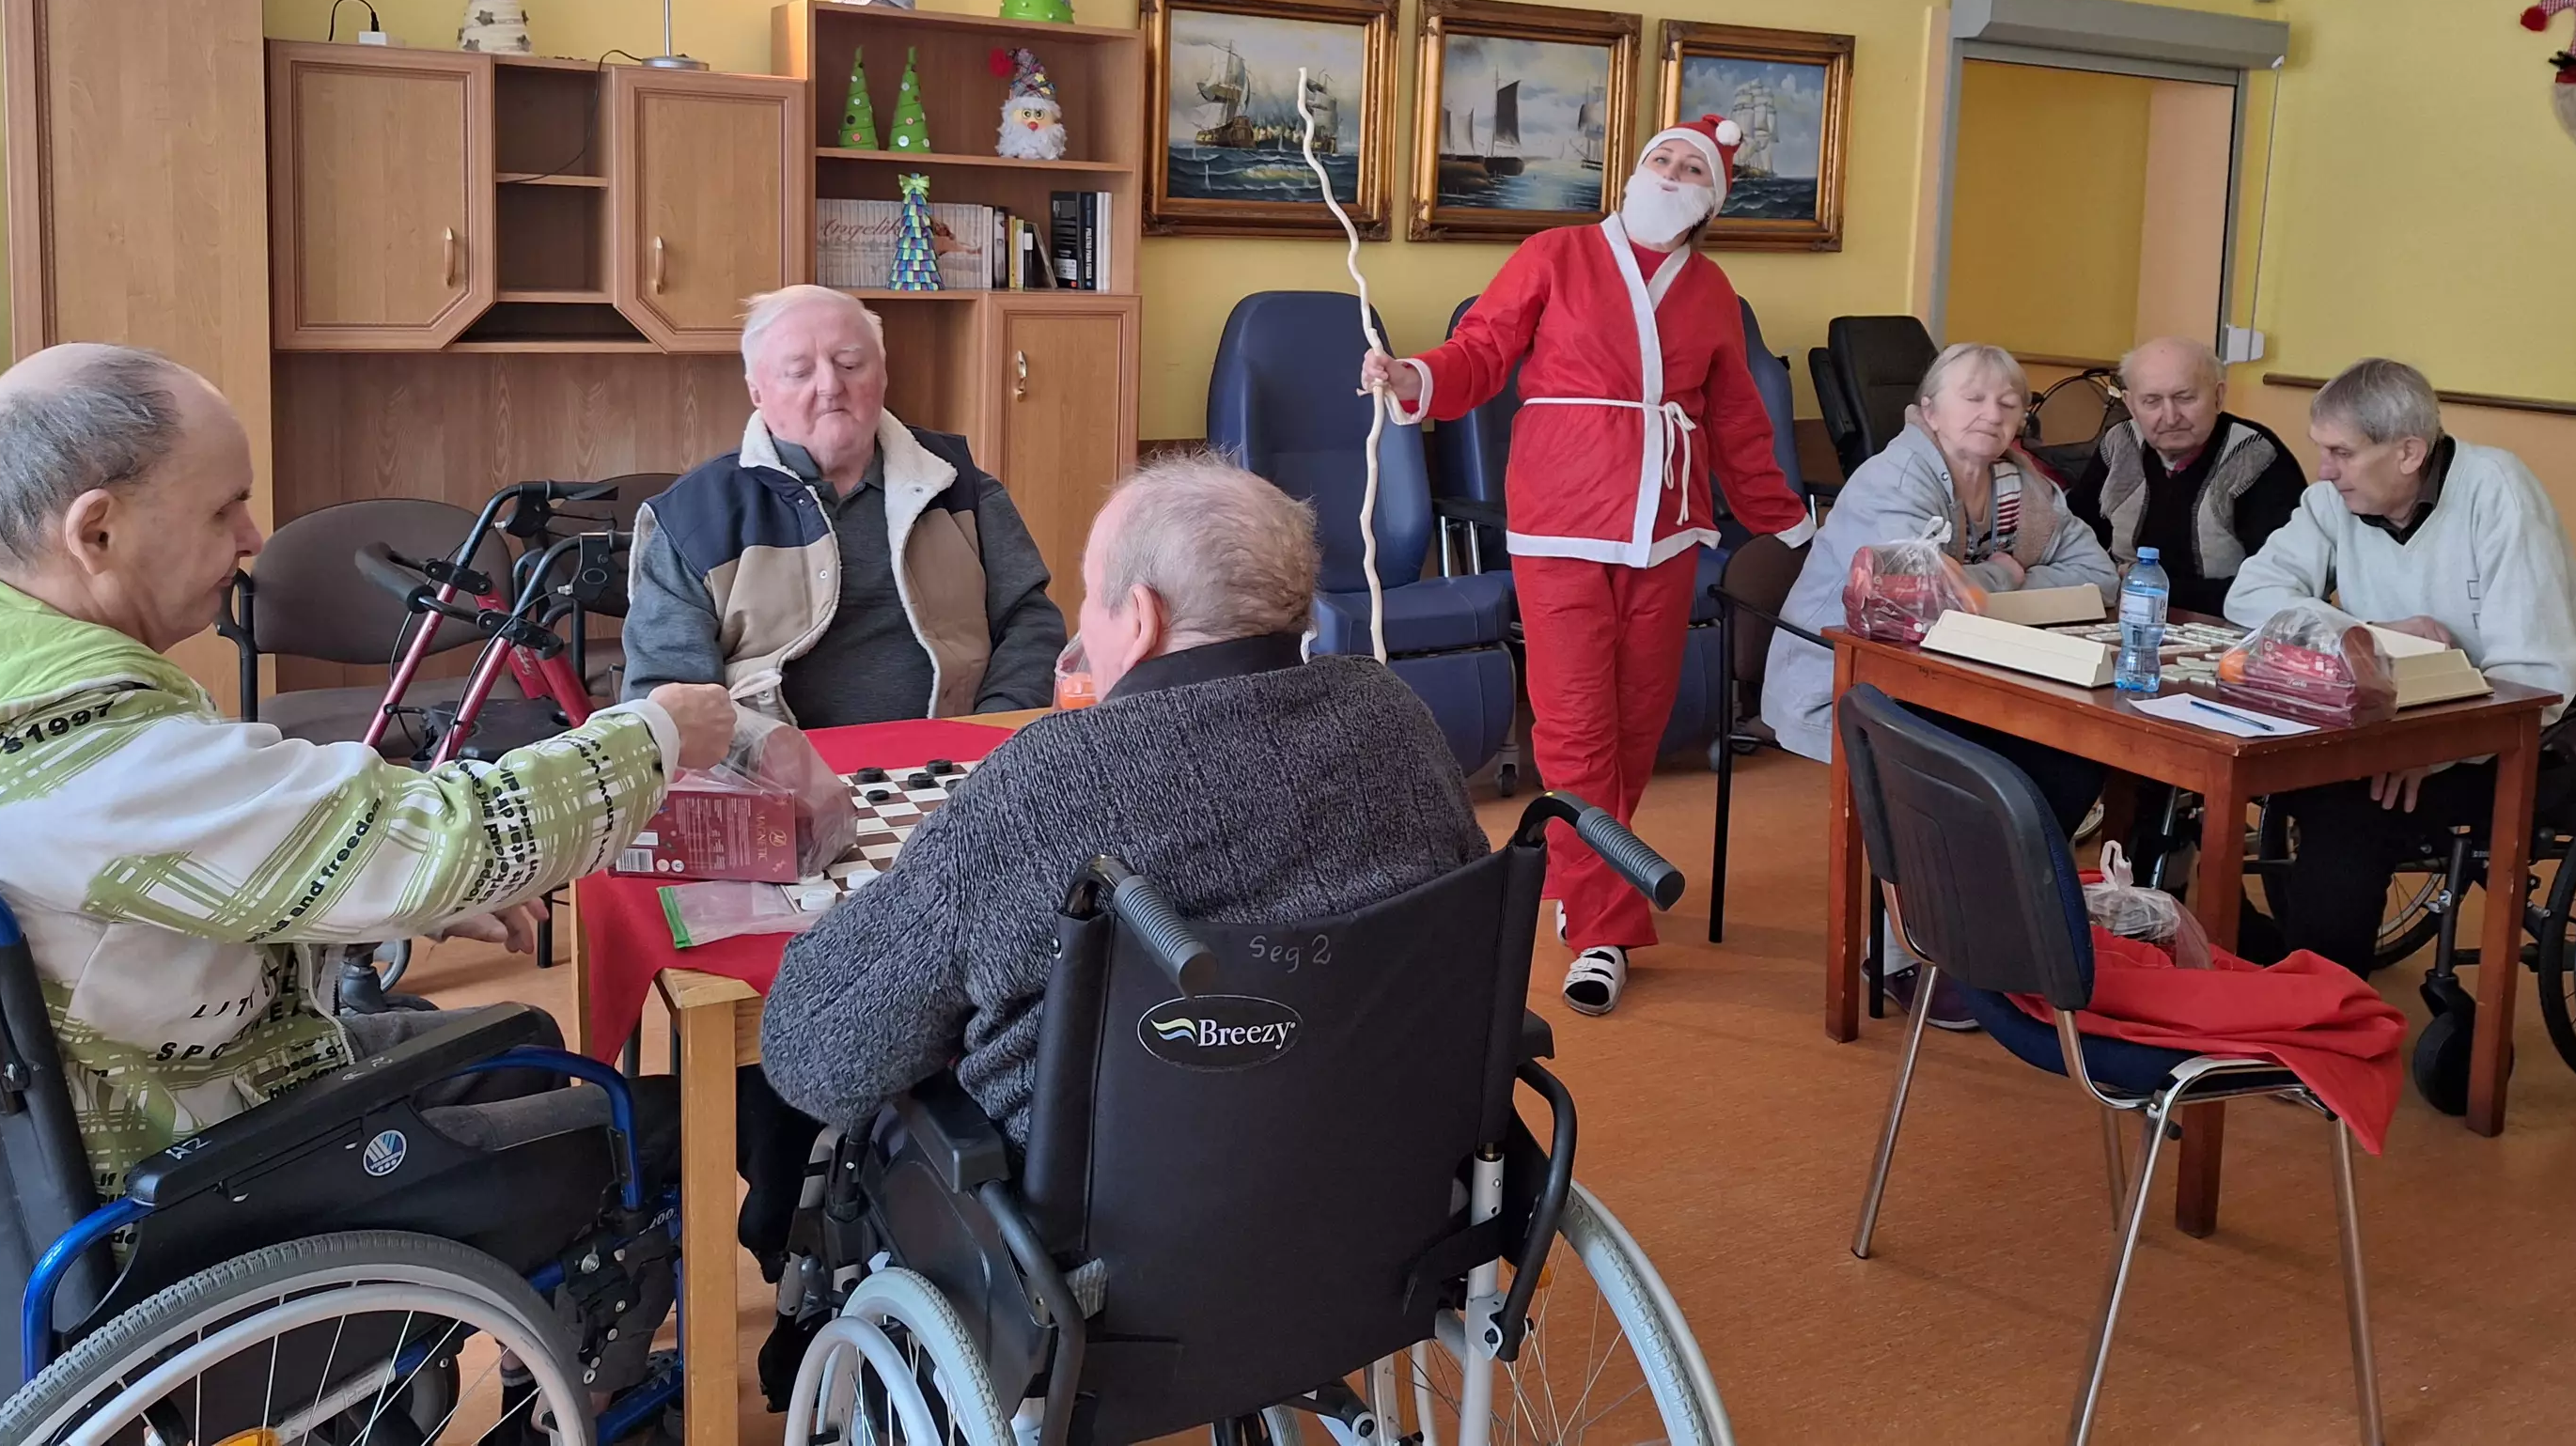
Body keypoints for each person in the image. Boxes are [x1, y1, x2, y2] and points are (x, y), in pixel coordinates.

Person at [0, 343, 737, 1197]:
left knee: (524, 1040)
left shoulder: (21, 675)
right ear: (96, 531)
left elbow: (163, 897)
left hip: (166, 1084)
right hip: (201, 1176)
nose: (252, 539)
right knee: (668, 1122)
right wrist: (657, 735)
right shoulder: (80, 748)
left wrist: (383, 900)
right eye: (224, 509)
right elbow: (440, 836)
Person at [759, 454, 1488, 1145]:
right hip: (1395, 1174)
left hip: (1090, 1214)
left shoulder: (1044, 786)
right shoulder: (1396, 718)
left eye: (1090, 597)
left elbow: (812, 1051)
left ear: (1141, 619)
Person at [1357, 117, 1815, 1016]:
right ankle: (1605, 926)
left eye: (1692, 169)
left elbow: (1736, 420)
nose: (1671, 173)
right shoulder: (1555, 253)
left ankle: (1587, 877)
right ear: (1635, 173)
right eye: (1661, 159)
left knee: (1637, 722)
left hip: (1664, 528)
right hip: (1561, 520)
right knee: (1573, 726)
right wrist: (1415, 378)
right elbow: (1483, 348)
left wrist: (1789, 526)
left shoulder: (1712, 290)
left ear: (1710, 201)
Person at [2225, 357, 2576, 975]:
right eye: (2322, 450)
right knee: (2279, 769)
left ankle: (2323, 1006)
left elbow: (2535, 677)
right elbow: (2250, 595)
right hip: (2388, 723)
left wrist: (2433, 746)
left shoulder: (2496, 492)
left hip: (2503, 740)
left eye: (2341, 453)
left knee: (2346, 805)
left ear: (2407, 453)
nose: (2324, 470)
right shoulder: (2332, 501)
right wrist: (2369, 632)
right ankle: (2277, 971)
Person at [624, 285, 1067, 744]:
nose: (830, 386)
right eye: (799, 372)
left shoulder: (959, 486)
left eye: (851, 364)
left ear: (883, 373)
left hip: (959, 761)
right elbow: (668, 697)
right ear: (756, 390)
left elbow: (1030, 624)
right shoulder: (691, 518)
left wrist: (990, 735)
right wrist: (764, 768)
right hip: (768, 774)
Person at [1766, 340, 2121, 818]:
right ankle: (1957, 867)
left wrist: (1984, 592)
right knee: (2001, 771)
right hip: (1852, 682)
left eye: (2008, 404)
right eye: (1973, 398)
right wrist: (2004, 572)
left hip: (1965, 673)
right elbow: (1916, 600)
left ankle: (2010, 867)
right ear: (1930, 412)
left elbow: (2099, 577)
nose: (1992, 414)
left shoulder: (2024, 487)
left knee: (2074, 759)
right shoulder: (1893, 479)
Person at [2065, 335, 2305, 615]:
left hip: (2225, 624)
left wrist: (2147, 587)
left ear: (2218, 396)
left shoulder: (2255, 456)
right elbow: (2072, 542)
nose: (2170, 417)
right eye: (2151, 401)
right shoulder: (2120, 444)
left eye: (2185, 398)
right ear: (2130, 405)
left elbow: (2279, 585)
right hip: (2123, 615)